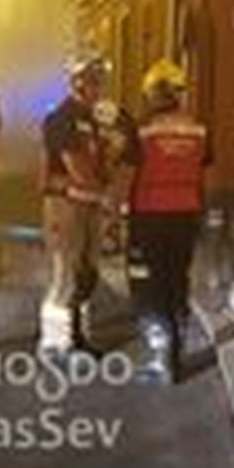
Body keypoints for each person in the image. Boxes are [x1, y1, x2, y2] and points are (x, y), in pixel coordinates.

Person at [37, 55, 138, 360]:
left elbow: (130, 161)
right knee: (65, 274)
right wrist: (107, 197)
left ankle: (79, 336)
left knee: (88, 274)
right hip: (65, 203)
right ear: (75, 82)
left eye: (98, 79)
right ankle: (54, 342)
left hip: (95, 205)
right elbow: (76, 166)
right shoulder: (61, 118)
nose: (95, 86)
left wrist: (114, 202)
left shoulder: (115, 118)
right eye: (89, 80)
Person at [125, 59, 211, 385]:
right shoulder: (199, 129)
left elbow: (128, 172)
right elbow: (206, 168)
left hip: (149, 214)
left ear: (152, 94)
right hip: (187, 213)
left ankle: (163, 359)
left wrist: (114, 208)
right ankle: (177, 351)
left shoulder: (142, 130)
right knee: (177, 279)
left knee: (152, 285)